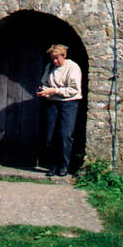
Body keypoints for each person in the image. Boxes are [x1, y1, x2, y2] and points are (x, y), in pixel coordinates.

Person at [37, 43, 82, 178]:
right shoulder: (50, 67)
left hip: (69, 103)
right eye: (53, 58)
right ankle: (53, 165)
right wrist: (44, 90)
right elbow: (44, 82)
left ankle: (64, 165)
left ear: (64, 55)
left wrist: (55, 90)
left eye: (57, 58)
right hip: (52, 103)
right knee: (50, 135)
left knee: (65, 135)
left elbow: (74, 89)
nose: (55, 61)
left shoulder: (72, 68)